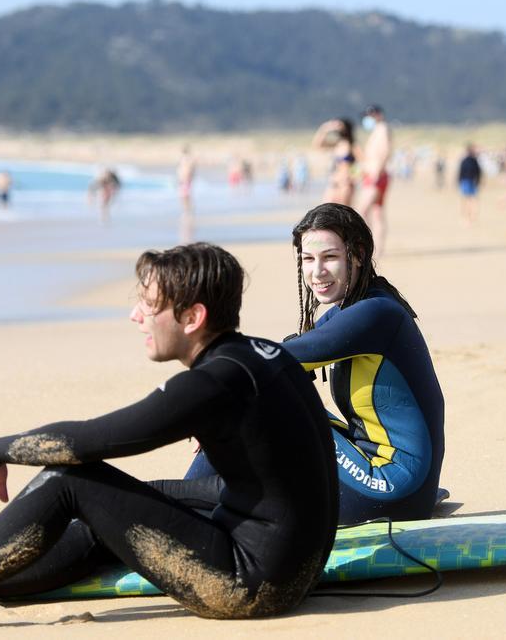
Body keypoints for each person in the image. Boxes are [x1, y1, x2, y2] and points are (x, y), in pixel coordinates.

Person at [0, 243, 339, 636]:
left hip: (251, 583)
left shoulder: (213, 383)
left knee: (68, 480)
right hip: (290, 564)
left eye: (149, 306)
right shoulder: (263, 355)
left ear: (193, 318)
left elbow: (89, 442)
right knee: (126, 501)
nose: (136, 317)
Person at [186, 204, 444, 524]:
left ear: (358, 254)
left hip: (391, 486)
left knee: (250, 405)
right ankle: (197, 499)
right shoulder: (354, 310)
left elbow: (266, 359)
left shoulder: (375, 313)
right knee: (259, 398)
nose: (317, 271)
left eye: (330, 257)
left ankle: (186, 506)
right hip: (383, 475)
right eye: (308, 259)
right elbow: (273, 362)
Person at [354, 105, 392, 256]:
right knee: (377, 212)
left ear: (376, 114)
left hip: (376, 176)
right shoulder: (377, 130)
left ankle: (366, 244)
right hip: (374, 175)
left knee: (363, 211)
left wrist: (376, 173)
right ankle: (378, 247)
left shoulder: (382, 129)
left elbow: (384, 152)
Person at [311, 118, 356, 205]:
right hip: (334, 182)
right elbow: (317, 145)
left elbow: (362, 163)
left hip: (345, 183)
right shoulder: (337, 144)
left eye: (340, 125)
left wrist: (353, 176)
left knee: (343, 212)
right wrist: (325, 128)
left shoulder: (352, 145)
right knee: (326, 209)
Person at [457, 143, 482, 225]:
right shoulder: (474, 160)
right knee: (472, 200)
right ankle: (471, 216)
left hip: (466, 182)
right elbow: (478, 172)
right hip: (471, 181)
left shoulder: (465, 160)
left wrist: (459, 181)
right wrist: (478, 181)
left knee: (468, 200)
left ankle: (469, 217)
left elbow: (460, 172)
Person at [176, 145, 196, 214]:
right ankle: (186, 209)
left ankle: (187, 210)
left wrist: (188, 176)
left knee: (185, 195)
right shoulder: (185, 158)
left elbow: (189, 169)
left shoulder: (186, 159)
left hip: (185, 178)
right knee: (184, 195)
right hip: (184, 178)